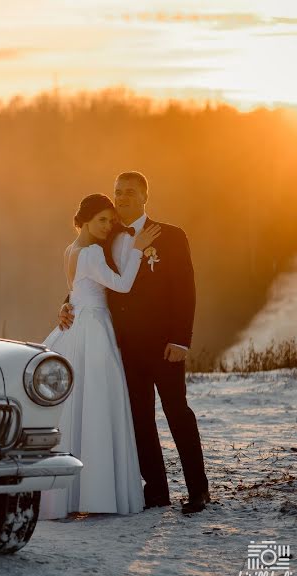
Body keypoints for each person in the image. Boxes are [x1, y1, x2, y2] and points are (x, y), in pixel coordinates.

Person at [58, 172, 211, 515]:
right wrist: (66, 304)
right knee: (139, 419)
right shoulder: (104, 235)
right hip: (122, 346)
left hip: (164, 345)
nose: (122, 197)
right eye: (118, 192)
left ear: (145, 196)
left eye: (130, 192)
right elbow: (85, 277)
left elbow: (185, 290)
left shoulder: (170, 236)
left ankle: (198, 490)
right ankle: (156, 490)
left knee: (177, 413)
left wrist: (180, 339)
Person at [39, 193, 159, 519]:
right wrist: (136, 251)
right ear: (86, 220)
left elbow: (76, 290)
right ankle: (97, 494)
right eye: (102, 220)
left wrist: (64, 306)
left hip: (76, 325)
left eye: (110, 220)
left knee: (77, 408)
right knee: (97, 405)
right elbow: (121, 285)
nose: (108, 226)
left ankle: (71, 494)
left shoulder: (71, 249)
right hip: (92, 327)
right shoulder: (91, 252)